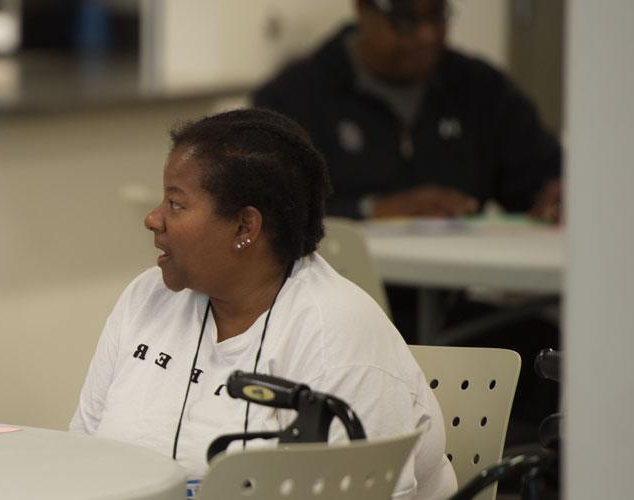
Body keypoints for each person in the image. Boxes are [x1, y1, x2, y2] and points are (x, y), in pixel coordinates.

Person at [70, 109, 456, 499]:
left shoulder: (335, 332)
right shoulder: (146, 297)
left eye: (176, 204)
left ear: (245, 227)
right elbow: (84, 458)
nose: (153, 219)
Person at [252, 0, 562, 221]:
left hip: (459, 300)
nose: (426, 35)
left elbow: (540, 174)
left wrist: (554, 194)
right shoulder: (294, 95)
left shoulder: (481, 89)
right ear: (363, 9)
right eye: (405, 19)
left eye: (437, 15)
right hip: (340, 297)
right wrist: (372, 210)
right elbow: (267, 207)